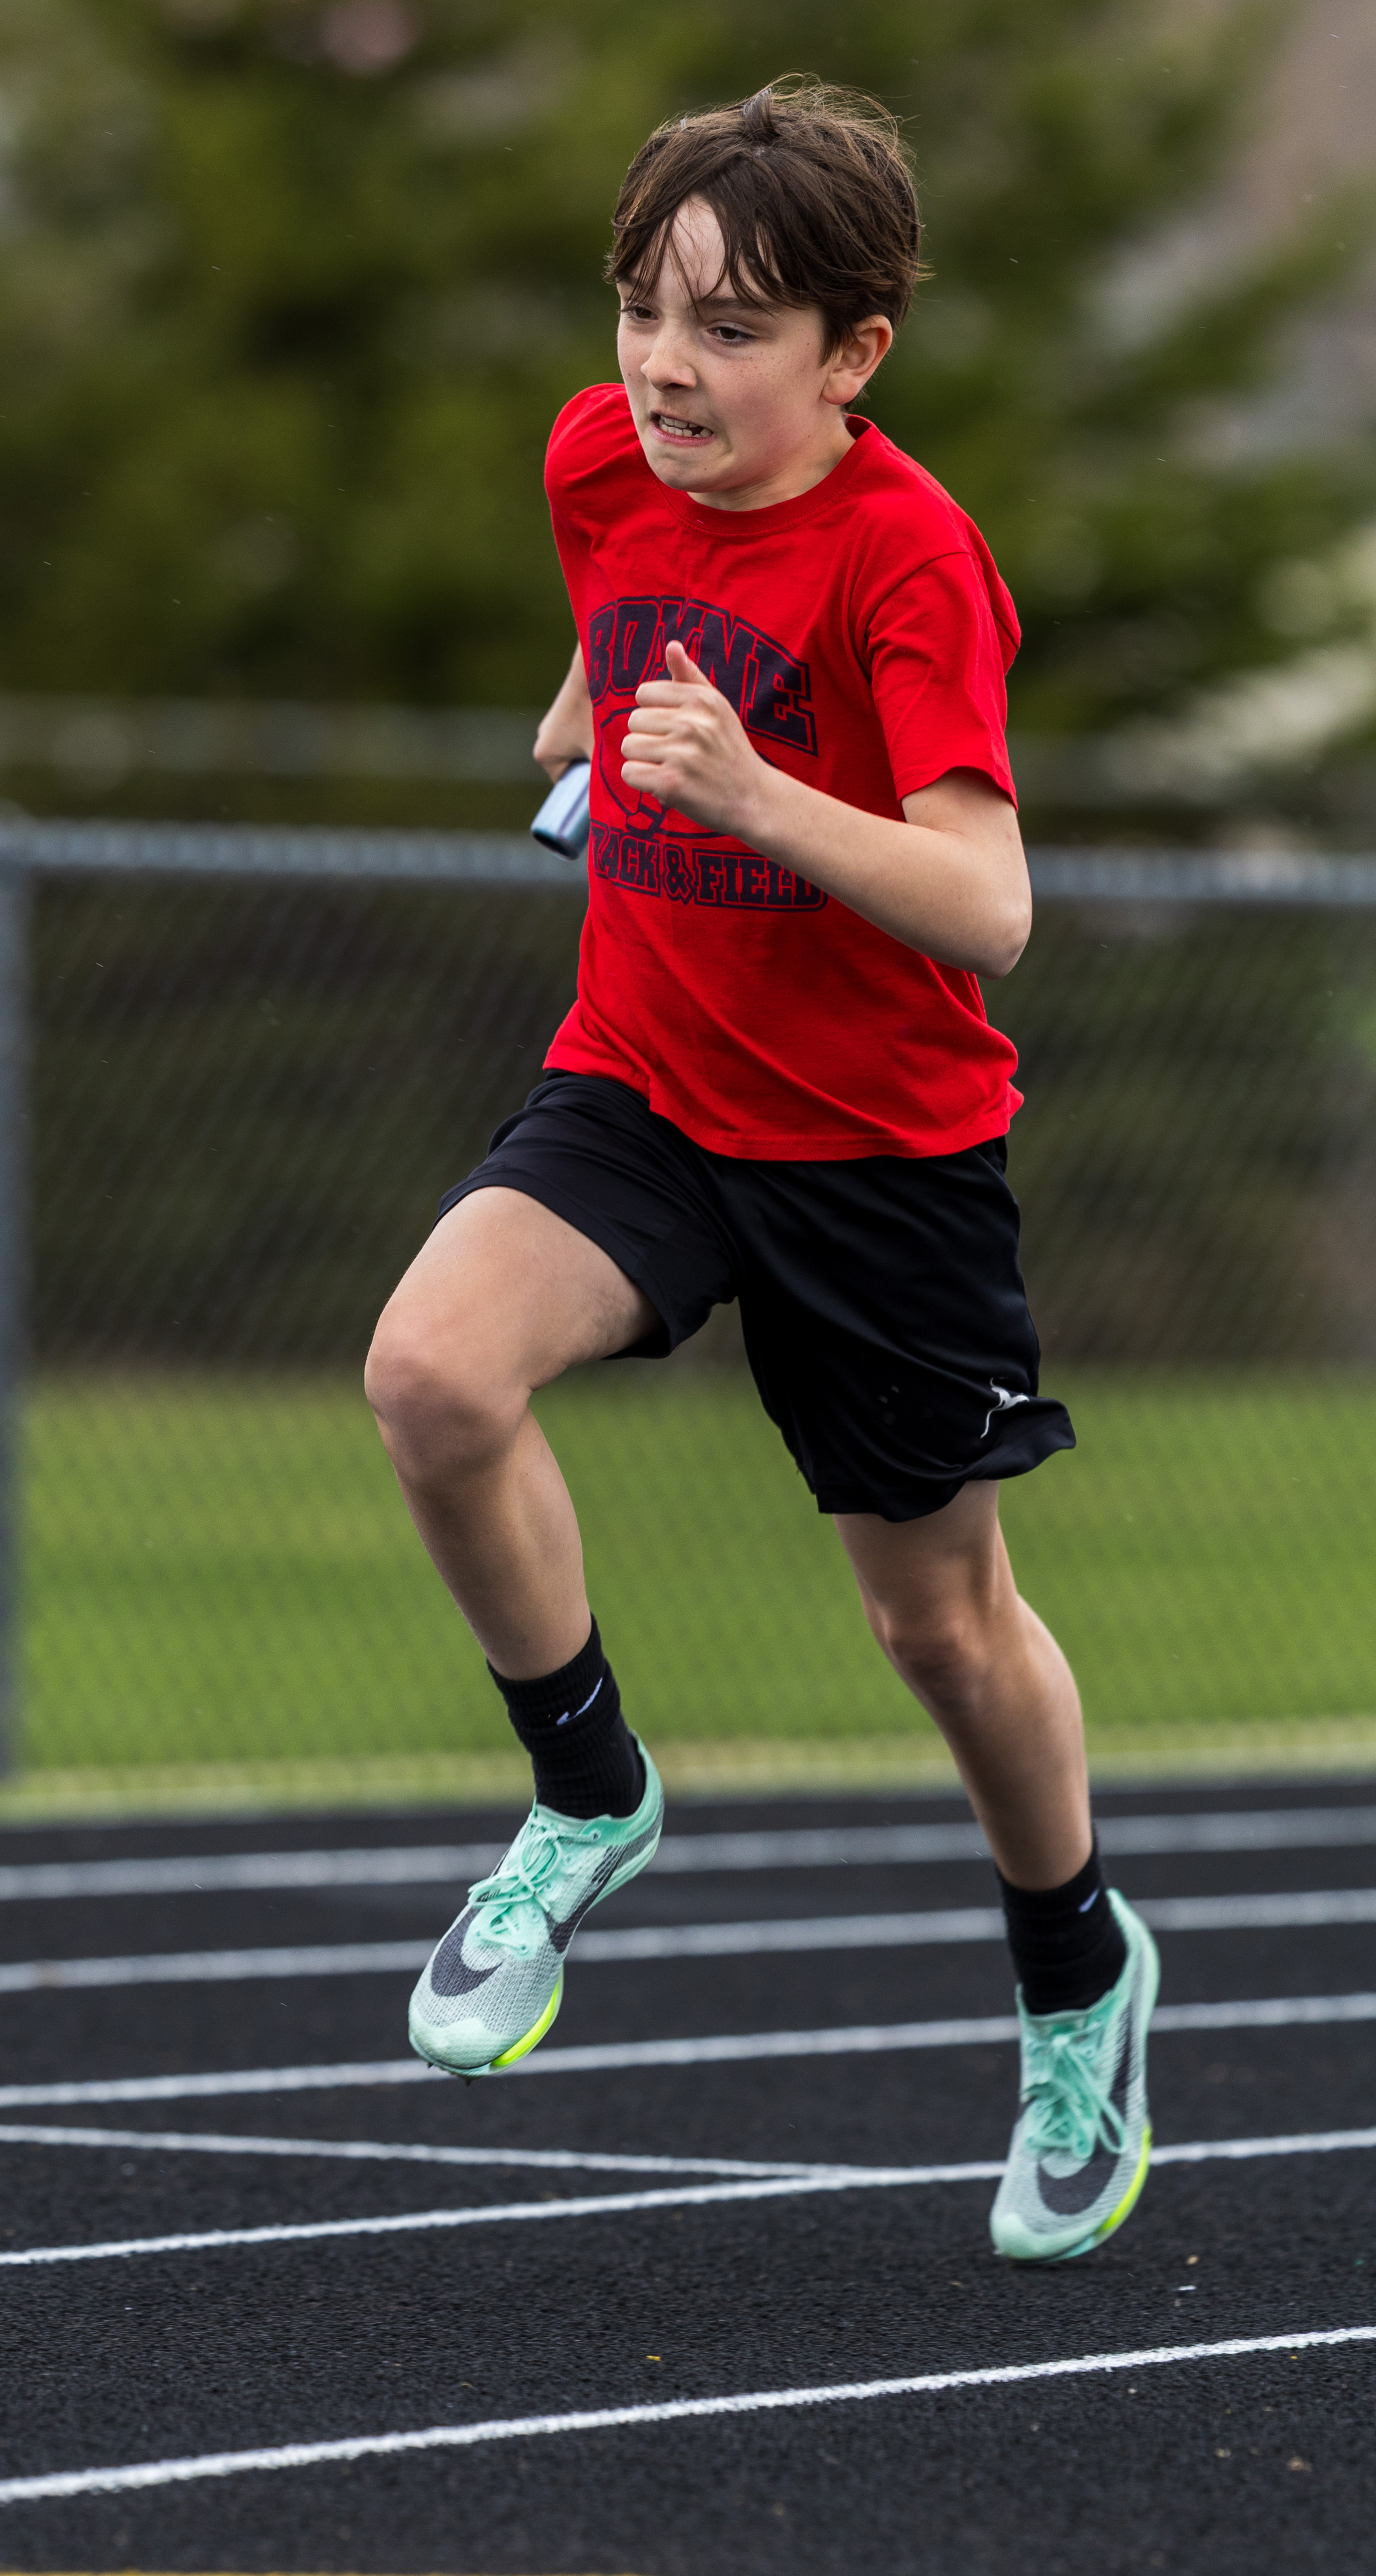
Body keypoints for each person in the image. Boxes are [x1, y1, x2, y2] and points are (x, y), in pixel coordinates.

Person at [363, 79, 1158, 2264]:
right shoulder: (595, 458)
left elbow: (989, 903)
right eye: (641, 309)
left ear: (850, 353)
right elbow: (628, 608)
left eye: (726, 330)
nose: (663, 365)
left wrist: (749, 788)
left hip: (878, 1152)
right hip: (643, 1077)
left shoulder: (912, 557)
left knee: (939, 1627)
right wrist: (583, 718)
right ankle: (586, 1791)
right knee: (431, 1372)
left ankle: (1076, 1971)